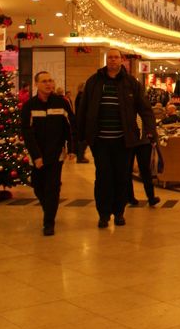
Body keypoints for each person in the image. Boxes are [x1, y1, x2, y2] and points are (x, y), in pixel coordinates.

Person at [77, 48, 157, 229]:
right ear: (106, 60)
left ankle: (119, 212)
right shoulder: (94, 81)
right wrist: (80, 138)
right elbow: (83, 109)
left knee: (122, 177)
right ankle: (103, 214)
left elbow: (145, 109)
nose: (113, 60)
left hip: (124, 141)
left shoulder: (131, 83)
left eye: (116, 57)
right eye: (110, 57)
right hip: (100, 141)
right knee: (103, 177)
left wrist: (150, 130)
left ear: (121, 61)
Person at [21, 71, 77, 236]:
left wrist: (72, 149)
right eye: (44, 81)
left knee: (52, 188)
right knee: (38, 187)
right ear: (36, 84)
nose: (48, 84)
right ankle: (49, 209)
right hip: (37, 155)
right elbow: (27, 133)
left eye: (50, 80)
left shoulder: (61, 103)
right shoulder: (29, 106)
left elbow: (71, 126)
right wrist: (36, 156)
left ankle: (49, 222)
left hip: (56, 154)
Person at [73, 82, 89, 163]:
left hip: (80, 120)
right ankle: (80, 157)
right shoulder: (81, 96)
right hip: (82, 120)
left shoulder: (80, 95)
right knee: (83, 139)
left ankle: (81, 156)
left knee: (83, 139)